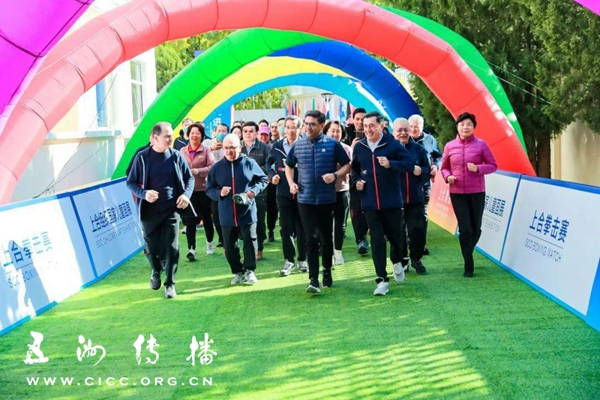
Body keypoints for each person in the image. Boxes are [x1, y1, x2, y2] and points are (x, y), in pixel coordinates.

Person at [126, 122, 195, 299]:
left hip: (172, 210)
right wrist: (144, 194)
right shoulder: (142, 157)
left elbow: (190, 178)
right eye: (167, 136)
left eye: (171, 135)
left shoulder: (176, 156)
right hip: (149, 213)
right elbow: (130, 182)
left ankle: (170, 284)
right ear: (155, 138)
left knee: (172, 248)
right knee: (151, 248)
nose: (171, 139)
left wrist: (186, 195)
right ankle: (156, 270)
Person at [285, 110, 351, 294]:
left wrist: (335, 175)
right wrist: (291, 183)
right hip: (304, 199)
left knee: (325, 236)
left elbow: (347, 165)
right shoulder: (298, 145)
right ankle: (313, 279)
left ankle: (327, 269)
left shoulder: (332, 144)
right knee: (311, 237)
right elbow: (288, 166)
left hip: (326, 199)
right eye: (306, 123)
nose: (308, 127)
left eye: (312, 124)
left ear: (321, 125)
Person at [351, 112, 415, 296]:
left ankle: (397, 259)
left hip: (392, 202)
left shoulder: (393, 144)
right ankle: (381, 280)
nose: (368, 129)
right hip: (370, 203)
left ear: (381, 126)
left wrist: (391, 164)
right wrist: (357, 182)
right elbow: (354, 170)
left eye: (371, 125)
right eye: (365, 126)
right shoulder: (360, 146)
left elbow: (409, 164)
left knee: (396, 239)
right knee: (377, 241)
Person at [206, 134, 269, 284]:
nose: (229, 151)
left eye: (232, 148)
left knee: (250, 242)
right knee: (229, 246)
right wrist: (219, 193)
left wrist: (253, 191)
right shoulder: (217, 167)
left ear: (239, 147)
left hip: (247, 211)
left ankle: (250, 271)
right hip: (227, 213)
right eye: (226, 148)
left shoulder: (249, 163)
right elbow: (209, 189)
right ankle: (237, 272)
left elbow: (263, 179)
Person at [441, 112, 498, 277]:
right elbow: (444, 168)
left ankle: (467, 251)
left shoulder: (481, 145)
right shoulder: (450, 146)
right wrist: (448, 177)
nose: (465, 127)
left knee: (475, 229)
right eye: (462, 124)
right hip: (457, 193)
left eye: (469, 124)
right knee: (465, 229)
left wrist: (478, 168)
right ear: (457, 126)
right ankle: (468, 265)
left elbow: (493, 165)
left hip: (477, 192)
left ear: (473, 127)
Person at [267, 116, 307, 276]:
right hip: (283, 192)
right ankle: (289, 260)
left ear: (300, 129)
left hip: (303, 192)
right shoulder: (277, 146)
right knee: (286, 228)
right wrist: (273, 176)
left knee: (302, 227)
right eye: (288, 127)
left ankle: (303, 259)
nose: (290, 130)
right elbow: (269, 163)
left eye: (294, 127)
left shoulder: (305, 144)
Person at [393, 118, 430, 275]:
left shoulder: (419, 149)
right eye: (399, 130)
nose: (403, 133)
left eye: (405, 130)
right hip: (395, 200)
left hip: (415, 198)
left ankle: (416, 258)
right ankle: (402, 259)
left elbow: (428, 170)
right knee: (398, 233)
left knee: (417, 231)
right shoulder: (388, 149)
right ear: (393, 132)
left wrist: (421, 171)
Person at [180, 123, 216, 260]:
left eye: (197, 133)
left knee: (206, 217)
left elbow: (212, 167)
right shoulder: (182, 151)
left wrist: (199, 171)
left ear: (202, 136)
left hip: (203, 189)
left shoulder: (206, 150)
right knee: (190, 220)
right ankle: (191, 249)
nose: (194, 136)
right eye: (192, 133)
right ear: (188, 135)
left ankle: (209, 243)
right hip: (188, 191)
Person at [408, 114, 442, 256]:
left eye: (417, 126)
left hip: (425, 183)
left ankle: (421, 244)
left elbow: (438, 156)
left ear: (422, 126)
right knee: (408, 216)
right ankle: (408, 242)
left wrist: (436, 166)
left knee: (423, 215)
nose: (413, 129)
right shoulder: (403, 140)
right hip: (407, 184)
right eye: (411, 126)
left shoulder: (430, 139)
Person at [240, 122, 271, 261]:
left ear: (256, 133)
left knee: (258, 220)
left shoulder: (264, 148)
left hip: (259, 190)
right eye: (245, 131)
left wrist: (253, 170)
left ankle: (259, 248)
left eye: (251, 131)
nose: (248, 134)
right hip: (241, 189)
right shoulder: (238, 147)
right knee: (242, 220)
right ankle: (247, 247)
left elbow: (270, 166)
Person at [324, 120, 352, 266]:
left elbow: (351, 168)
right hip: (324, 192)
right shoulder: (320, 147)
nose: (335, 134)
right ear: (326, 132)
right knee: (325, 224)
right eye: (332, 131)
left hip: (342, 190)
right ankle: (328, 251)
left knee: (340, 223)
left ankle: (338, 251)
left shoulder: (347, 149)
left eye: (338, 131)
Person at [343, 108, 370, 256]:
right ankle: (361, 239)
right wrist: (351, 149)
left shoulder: (372, 132)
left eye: (363, 119)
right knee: (356, 210)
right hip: (352, 179)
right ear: (352, 119)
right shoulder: (346, 134)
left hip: (371, 178)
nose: (360, 122)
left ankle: (371, 233)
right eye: (357, 119)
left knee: (370, 210)